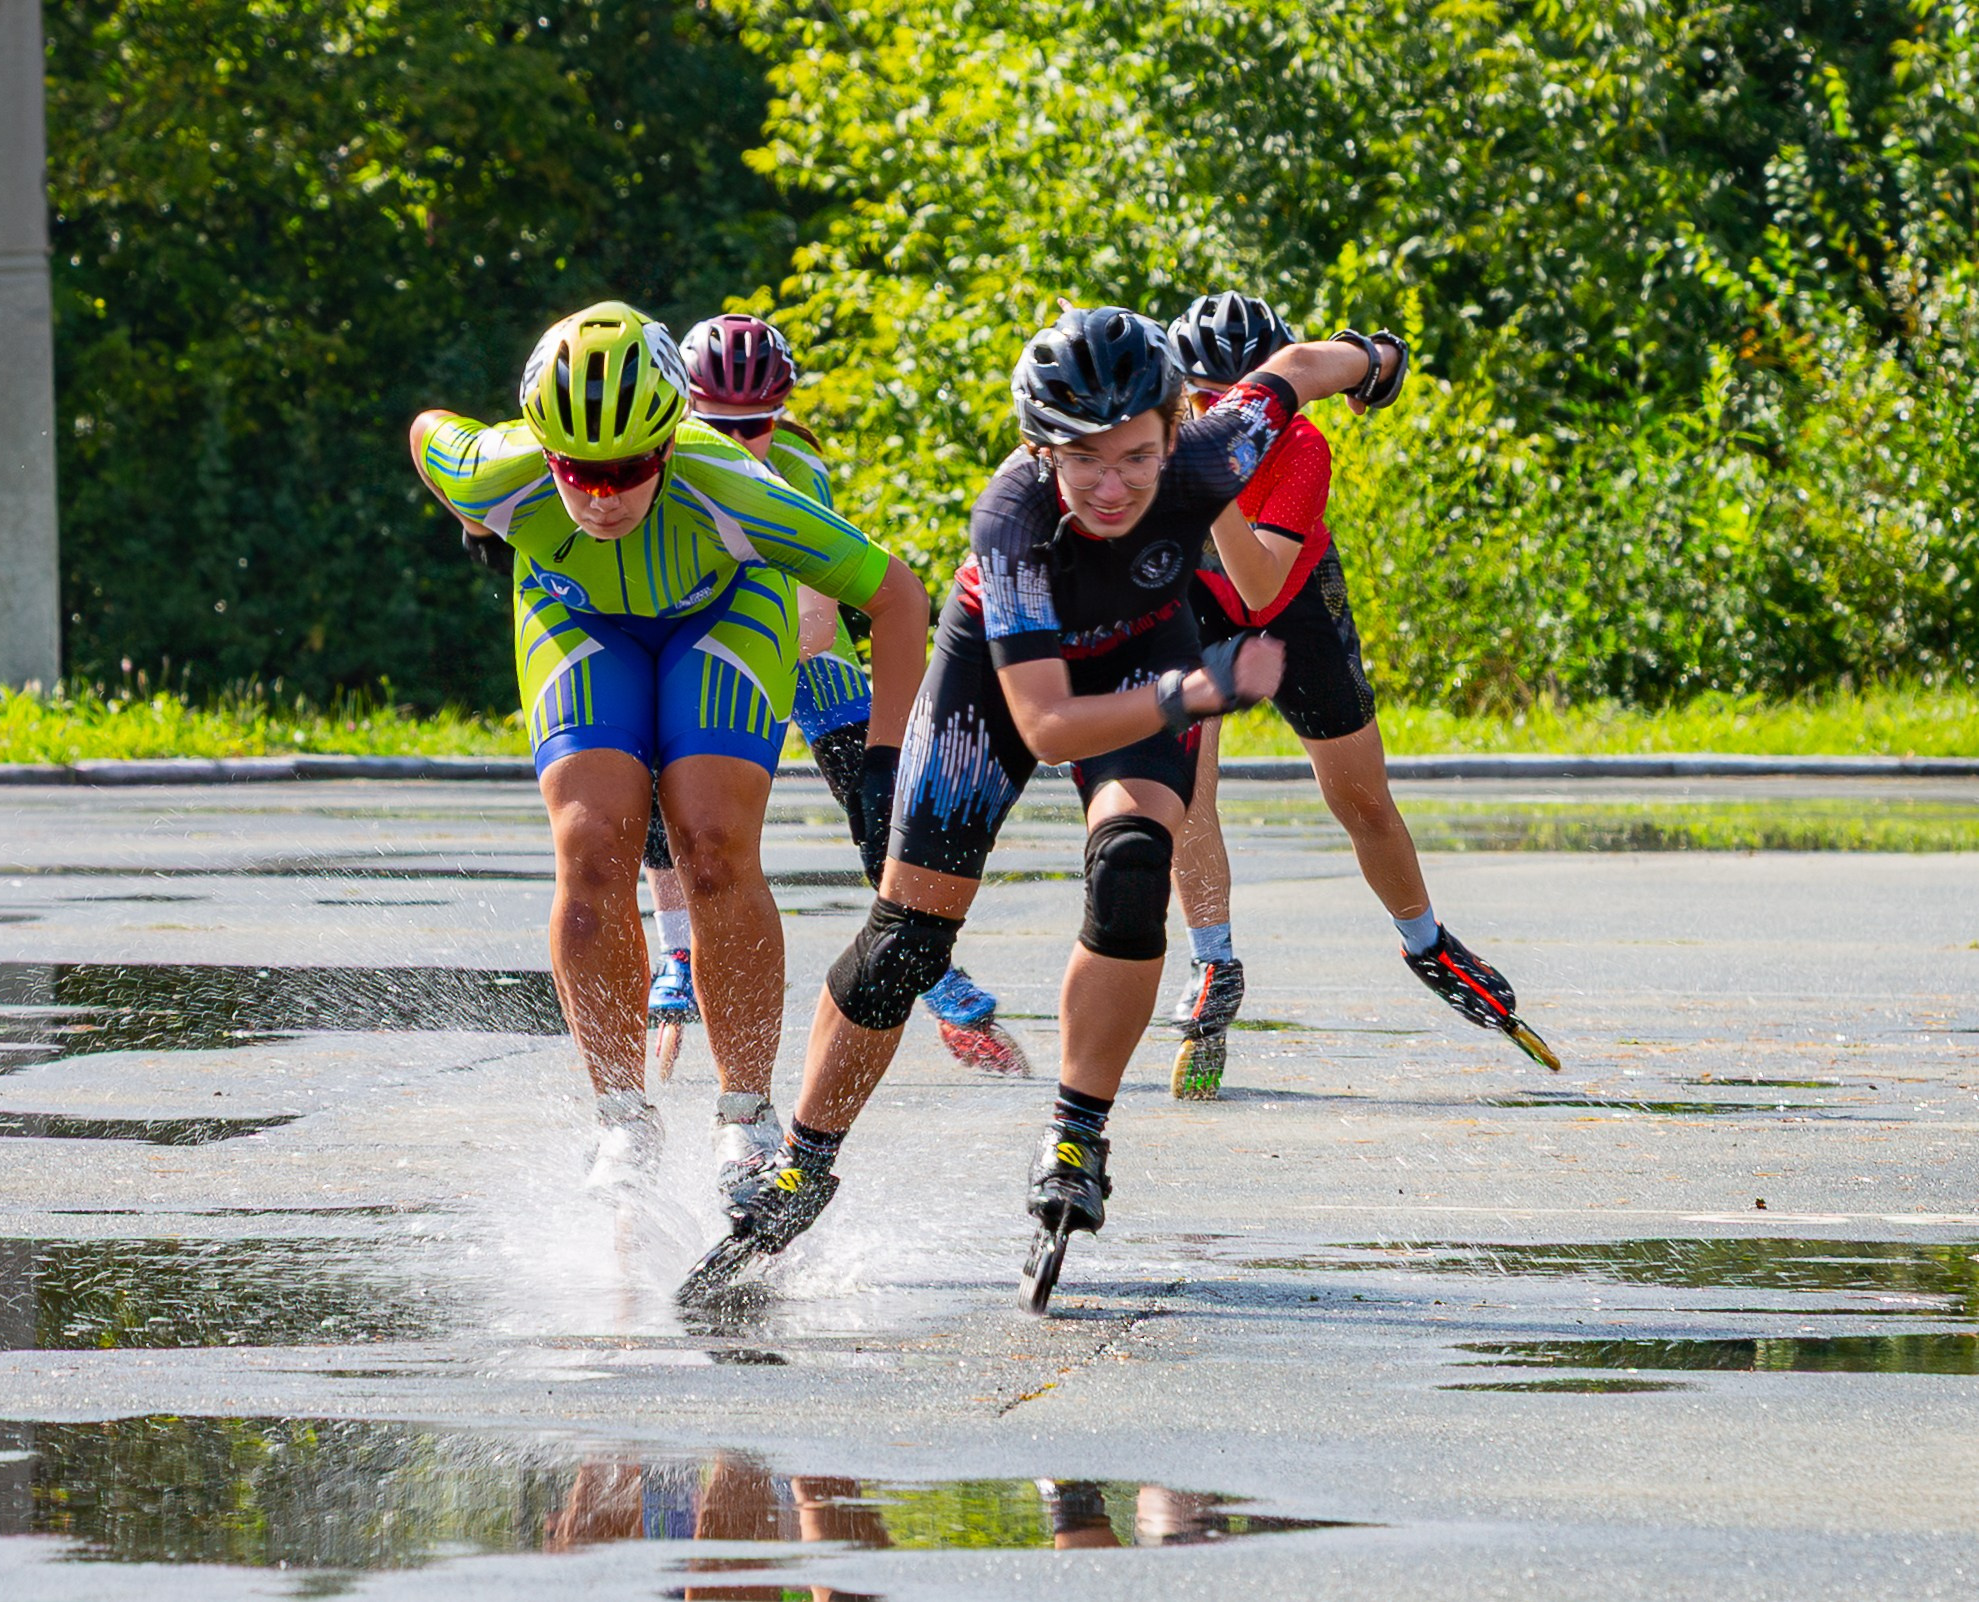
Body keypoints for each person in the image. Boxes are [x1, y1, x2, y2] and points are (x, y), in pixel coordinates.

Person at [681, 304, 1408, 1306]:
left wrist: (1375, 359)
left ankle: (1076, 1132)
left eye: (1138, 459)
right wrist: (1198, 691)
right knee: (908, 942)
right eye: (1084, 463)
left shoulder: (1211, 450)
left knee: (1132, 870)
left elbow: (1292, 370)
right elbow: (1050, 722)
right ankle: (806, 1158)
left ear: (1174, 432)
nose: (1113, 486)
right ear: (1038, 449)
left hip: (1143, 654)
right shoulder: (1012, 521)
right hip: (1006, 681)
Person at [410, 301, 931, 1203]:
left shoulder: (731, 483)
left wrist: (886, 763)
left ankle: (744, 1117)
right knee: (591, 846)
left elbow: (898, 600)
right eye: (578, 473)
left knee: (714, 849)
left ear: (668, 441)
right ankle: (620, 1116)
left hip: (721, 618)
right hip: (577, 623)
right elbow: (426, 433)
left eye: (627, 471)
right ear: (542, 447)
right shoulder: (494, 471)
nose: (601, 498)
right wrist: (480, 523)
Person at [1162, 291, 1557, 1097]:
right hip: (1196, 602)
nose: (1222, 410)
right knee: (1181, 793)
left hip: (1290, 602)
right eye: (1203, 394)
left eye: (1238, 395)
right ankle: (1212, 964)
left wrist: (1213, 486)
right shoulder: (1157, 441)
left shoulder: (1302, 447)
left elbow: (1262, 587)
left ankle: (1426, 943)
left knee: (1361, 801)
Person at [642, 314, 1030, 1078]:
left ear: (781, 411)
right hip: (701, 630)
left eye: (756, 423)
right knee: (662, 783)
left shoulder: (793, 463)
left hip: (790, 635)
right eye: (719, 424)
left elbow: (816, 622)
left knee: (877, 805)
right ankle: (676, 952)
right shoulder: (658, 459)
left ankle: (932, 970)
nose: (742, 439)